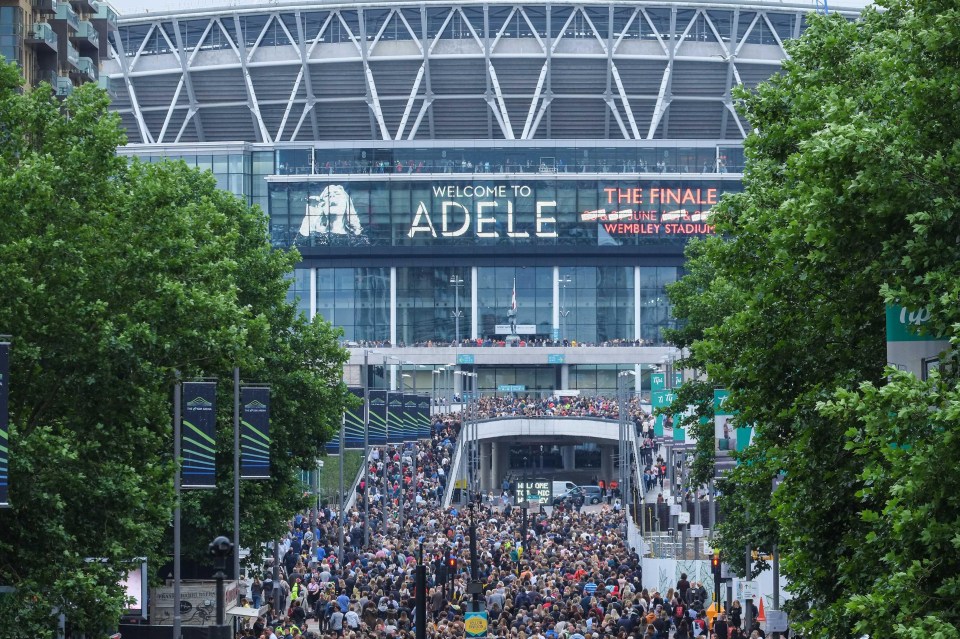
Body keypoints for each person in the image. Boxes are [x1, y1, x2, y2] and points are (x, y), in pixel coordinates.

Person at [296, 184, 366, 243]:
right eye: (327, 195)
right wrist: (310, 216)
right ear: (321, 205)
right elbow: (298, 250)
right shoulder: (313, 235)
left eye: (337, 194)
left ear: (346, 203)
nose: (332, 196)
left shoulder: (358, 238)